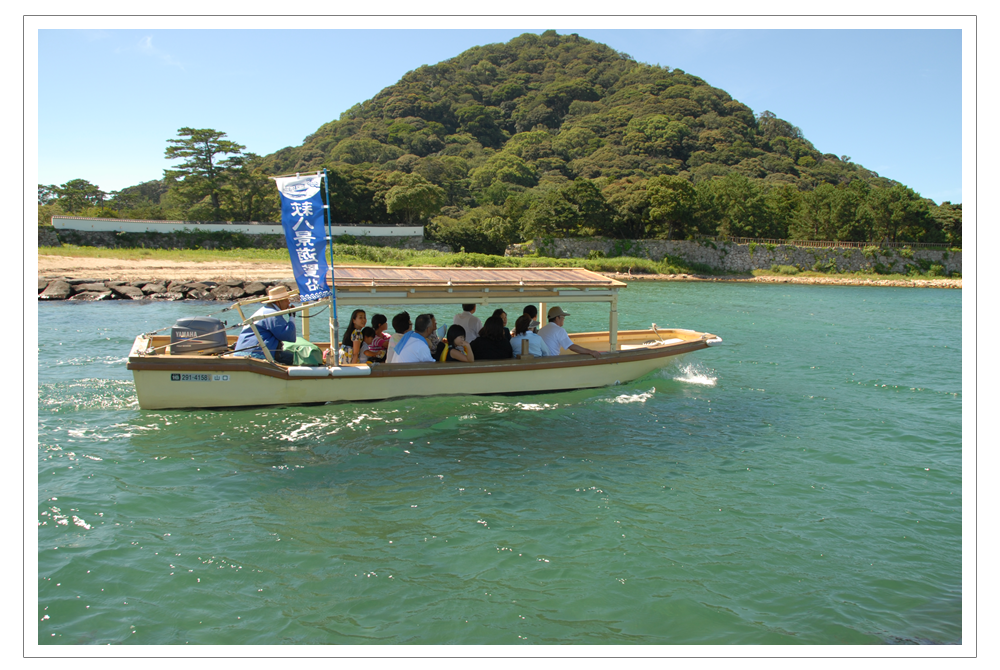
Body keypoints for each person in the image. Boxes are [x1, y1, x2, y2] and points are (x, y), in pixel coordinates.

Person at [233, 286, 297, 364]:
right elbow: (288, 336)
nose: (289, 303)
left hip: (243, 352)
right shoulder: (272, 314)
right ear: (278, 302)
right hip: (254, 355)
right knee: (296, 358)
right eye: (286, 300)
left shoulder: (266, 310)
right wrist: (292, 317)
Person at [537, 306, 602, 359]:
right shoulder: (559, 330)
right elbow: (571, 346)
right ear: (557, 318)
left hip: (541, 360)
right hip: (551, 361)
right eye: (563, 317)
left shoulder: (542, 329)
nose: (564, 319)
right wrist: (591, 352)